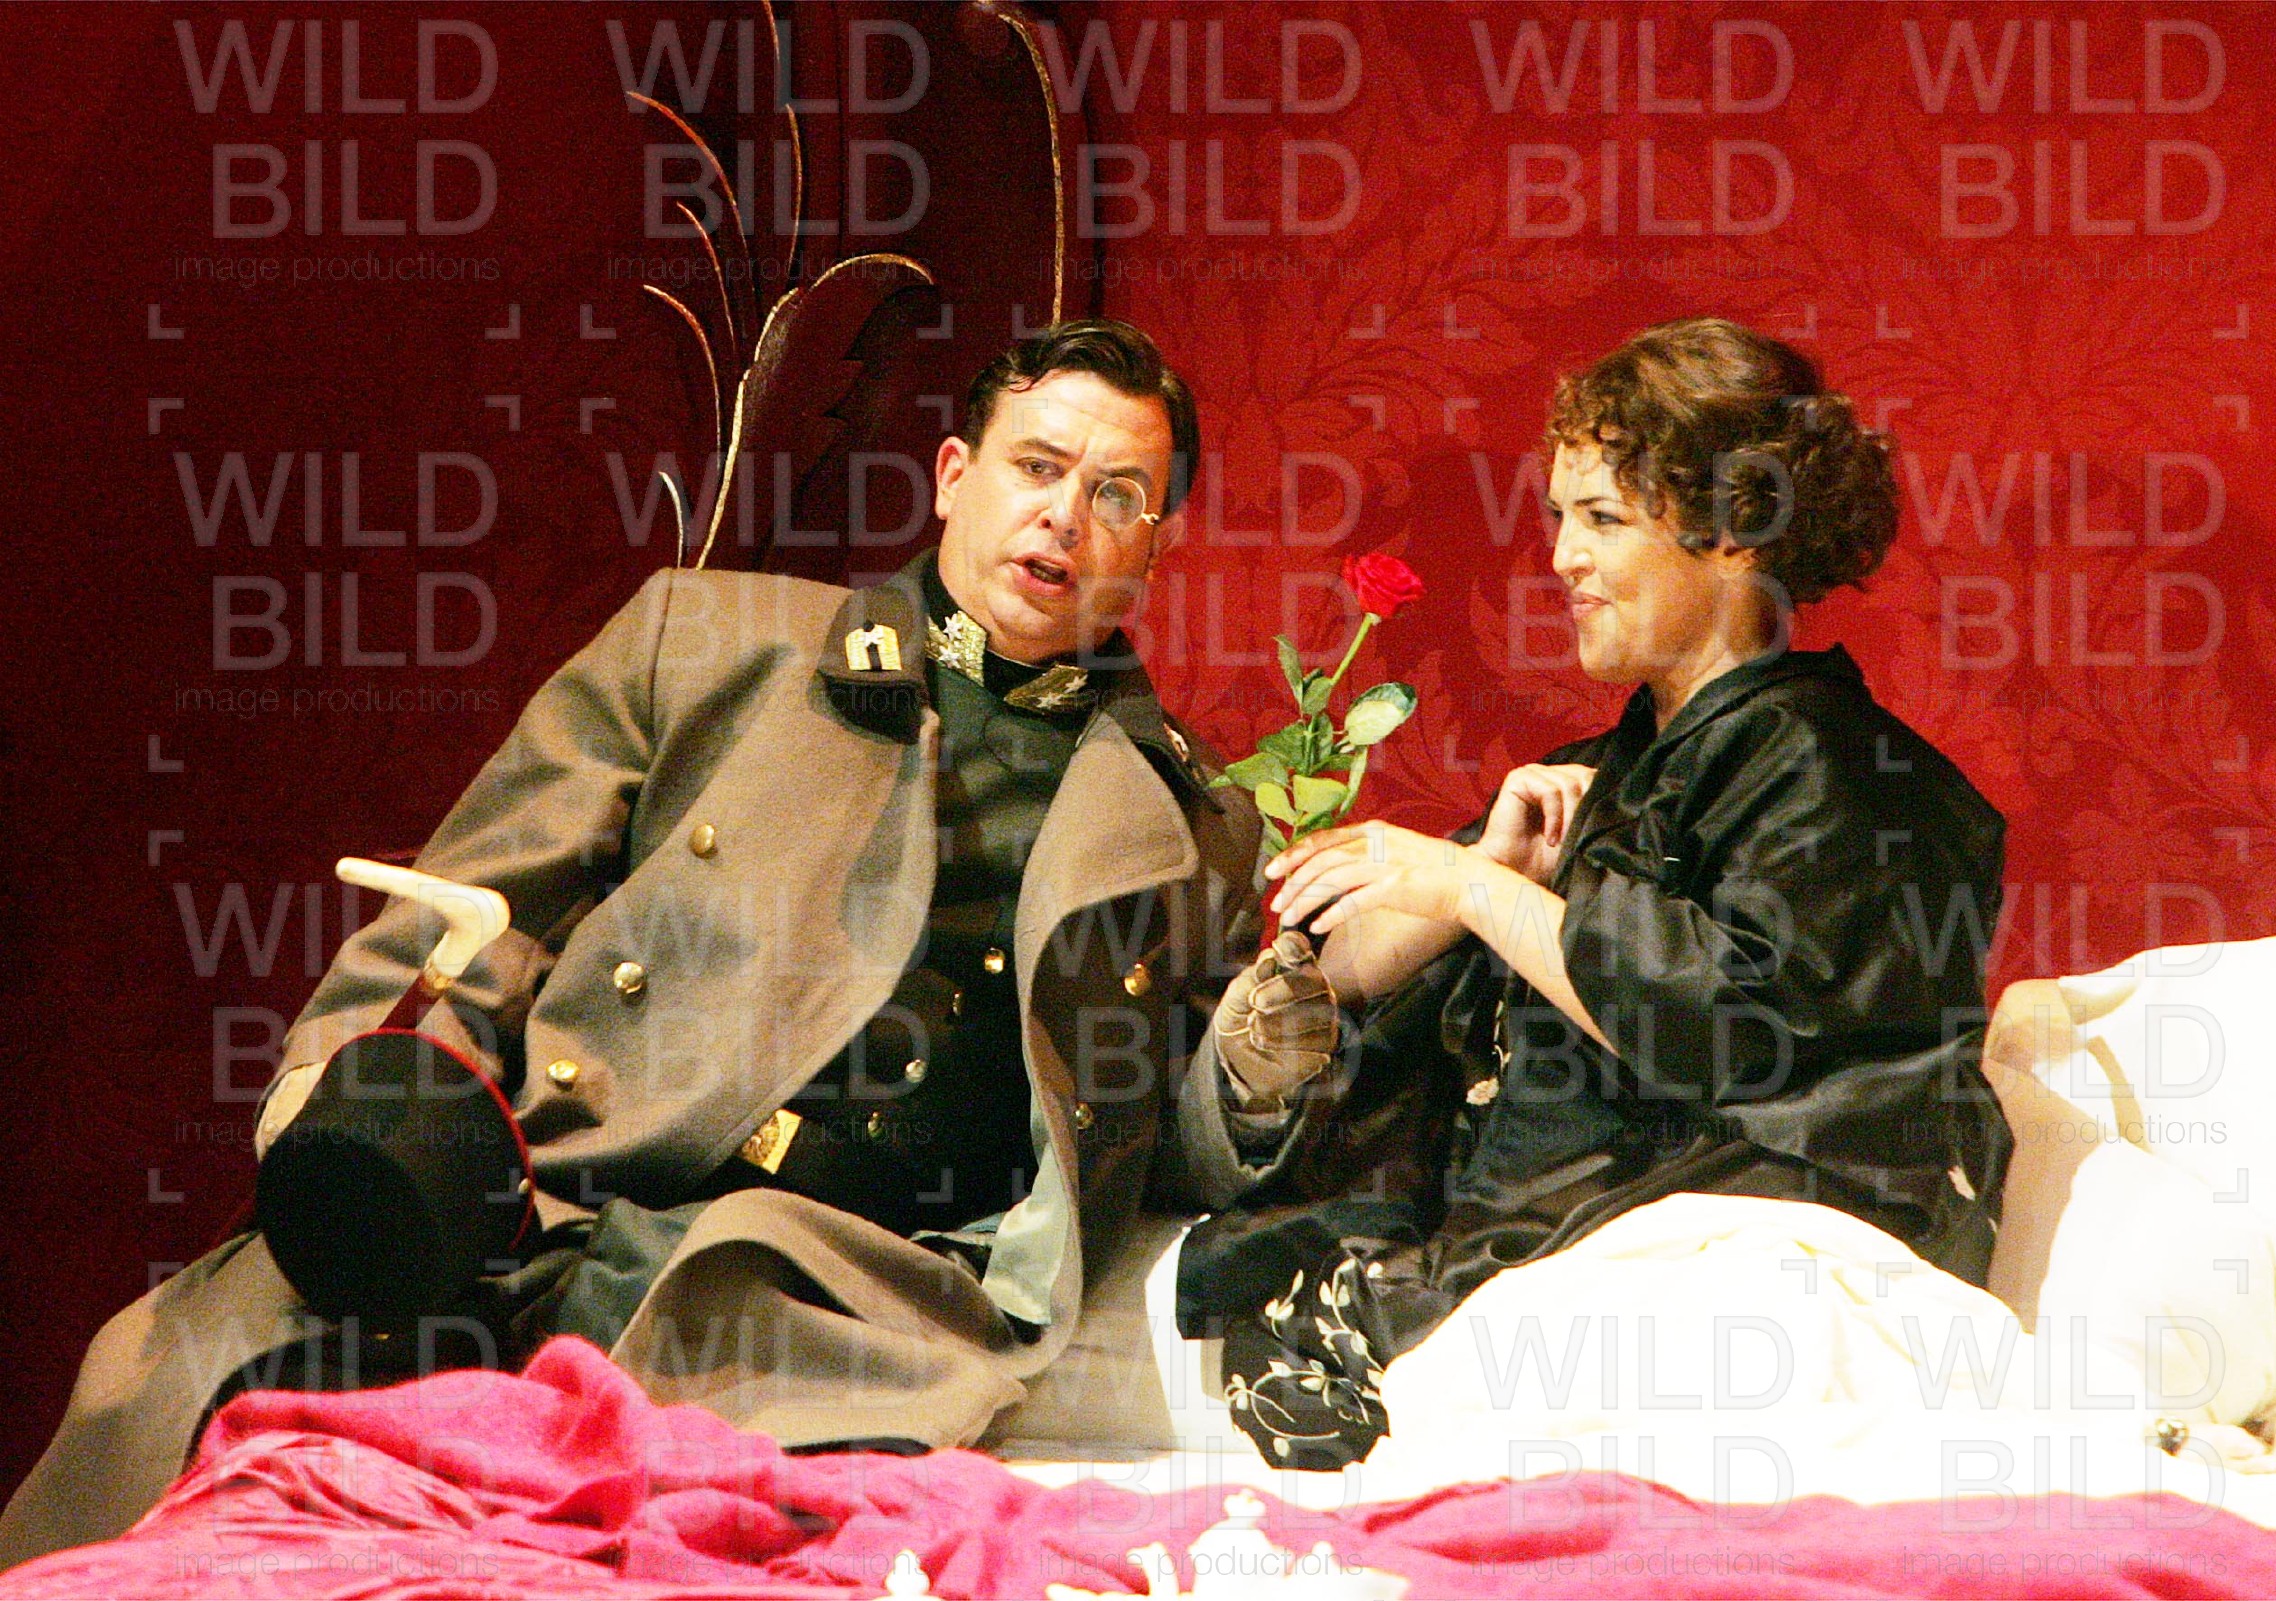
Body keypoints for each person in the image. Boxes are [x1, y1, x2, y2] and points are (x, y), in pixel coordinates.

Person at [0, 320, 1301, 1565]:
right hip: (555, 1184)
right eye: (1037, 466)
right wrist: (364, 1111)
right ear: (956, 477)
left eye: (1118, 494)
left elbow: (1147, 1145)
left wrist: (1273, 1044)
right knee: (160, 1379)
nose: (1065, 516)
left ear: (1157, 543)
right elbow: (472, 915)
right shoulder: (709, 641)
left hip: (837, 1291)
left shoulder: (1192, 822)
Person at [1182, 317, 2013, 1470]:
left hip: (1729, 1257)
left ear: (1735, 531)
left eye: (1604, 519)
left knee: (1327, 1350)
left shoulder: (1849, 778)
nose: (1564, 556)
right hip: (1537, 1241)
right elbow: (1342, 985)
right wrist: (1479, 880)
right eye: (1560, 516)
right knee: (1246, 1290)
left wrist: (1481, 891)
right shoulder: (1596, 778)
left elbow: (1727, 1026)